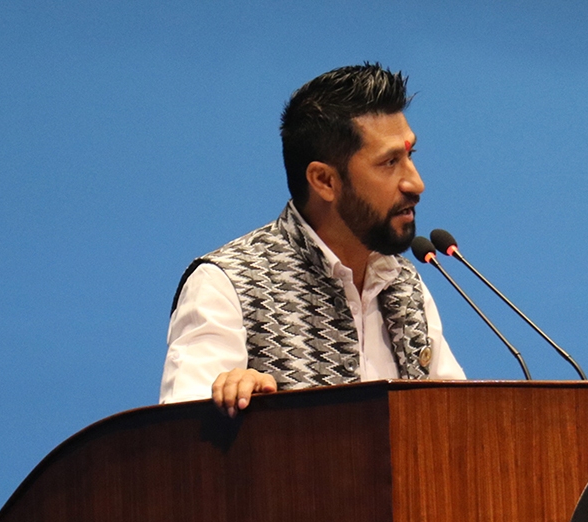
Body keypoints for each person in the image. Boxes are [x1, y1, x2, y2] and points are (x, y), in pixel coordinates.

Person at [159, 63, 464, 415]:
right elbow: (183, 436)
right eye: (389, 162)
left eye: (409, 156)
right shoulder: (226, 285)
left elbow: (458, 421)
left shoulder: (404, 285)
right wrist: (241, 415)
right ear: (324, 181)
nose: (416, 184)